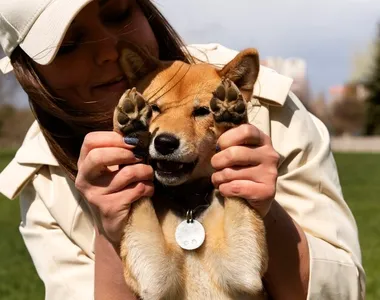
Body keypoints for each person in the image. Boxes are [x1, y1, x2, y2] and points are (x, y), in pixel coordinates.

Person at [0, 0, 365, 299]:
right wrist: (111, 233)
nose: (109, 52)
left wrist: (261, 208)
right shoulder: (43, 178)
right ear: (28, 70)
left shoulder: (266, 107)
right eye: (68, 46)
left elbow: (344, 291)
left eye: (119, 14)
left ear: (147, 11)